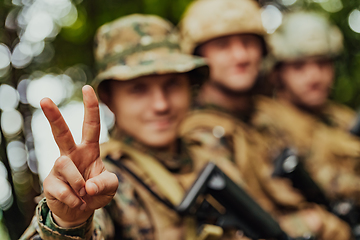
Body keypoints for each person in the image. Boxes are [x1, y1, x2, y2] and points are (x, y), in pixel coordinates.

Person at [19, 14, 256, 240]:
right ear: (110, 100)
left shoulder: (215, 147)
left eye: (172, 84)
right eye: (138, 89)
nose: (161, 105)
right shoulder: (104, 177)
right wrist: (68, 224)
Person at [179, 0, 351, 239]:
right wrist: (315, 222)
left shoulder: (271, 115)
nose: (241, 56)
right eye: (223, 46)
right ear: (197, 55)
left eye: (249, 43)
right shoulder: (197, 132)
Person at [252, 11, 360, 203]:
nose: (314, 77)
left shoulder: (341, 117)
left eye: (322, 64)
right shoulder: (264, 118)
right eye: (299, 66)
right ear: (277, 73)